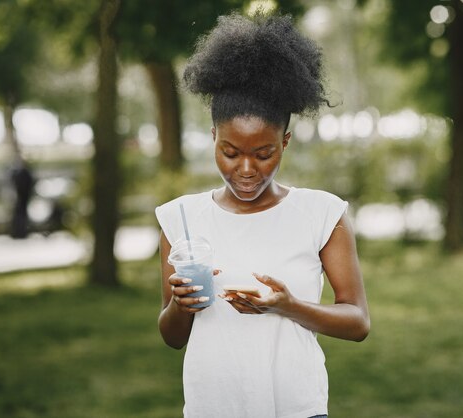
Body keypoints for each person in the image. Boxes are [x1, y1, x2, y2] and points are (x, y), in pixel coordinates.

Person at [155, 13, 369, 418]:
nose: (247, 169)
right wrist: (182, 305)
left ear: (285, 142)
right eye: (231, 152)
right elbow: (172, 338)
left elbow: (357, 322)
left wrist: (288, 306)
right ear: (213, 137)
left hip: (297, 407)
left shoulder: (324, 214)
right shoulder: (180, 218)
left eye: (264, 153)